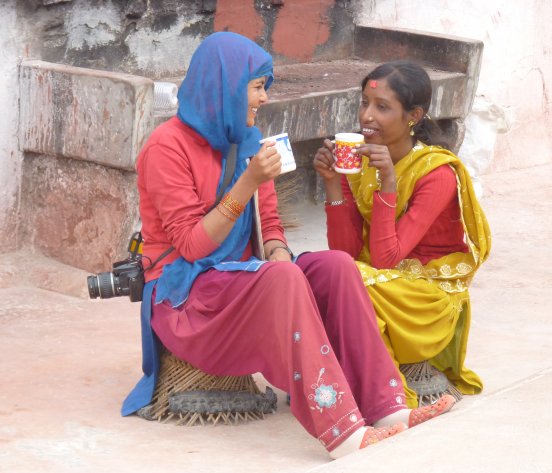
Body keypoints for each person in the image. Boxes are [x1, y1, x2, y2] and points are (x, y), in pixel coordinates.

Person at [121, 33, 455, 459]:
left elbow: (271, 226)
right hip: (187, 296)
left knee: (335, 266)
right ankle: (342, 432)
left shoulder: (246, 138)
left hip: (239, 283)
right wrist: (248, 182)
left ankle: (388, 409)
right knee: (280, 277)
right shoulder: (166, 147)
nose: (263, 99)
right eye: (257, 87)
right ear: (224, 87)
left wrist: (279, 251)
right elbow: (189, 246)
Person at [313, 60, 491, 409]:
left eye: (382, 107)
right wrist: (333, 181)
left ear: (413, 116)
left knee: (345, 282)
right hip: (384, 282)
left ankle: (370, 387)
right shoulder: (360, 161)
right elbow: (347, 252)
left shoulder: (436, 174)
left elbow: (384, 258)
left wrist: (388, 186)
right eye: (364, 102)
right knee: (319, 271)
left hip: (427, 298)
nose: (367, 116)